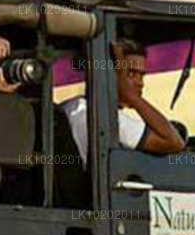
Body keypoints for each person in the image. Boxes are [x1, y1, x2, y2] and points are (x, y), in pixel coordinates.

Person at [61, 38, 186, 167]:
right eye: (131, 74)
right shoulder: (98, 116)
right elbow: (174, 142)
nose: (140, 83)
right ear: (109, 73)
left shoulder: (75, 106)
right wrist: (132, 96)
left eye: (142, 76)